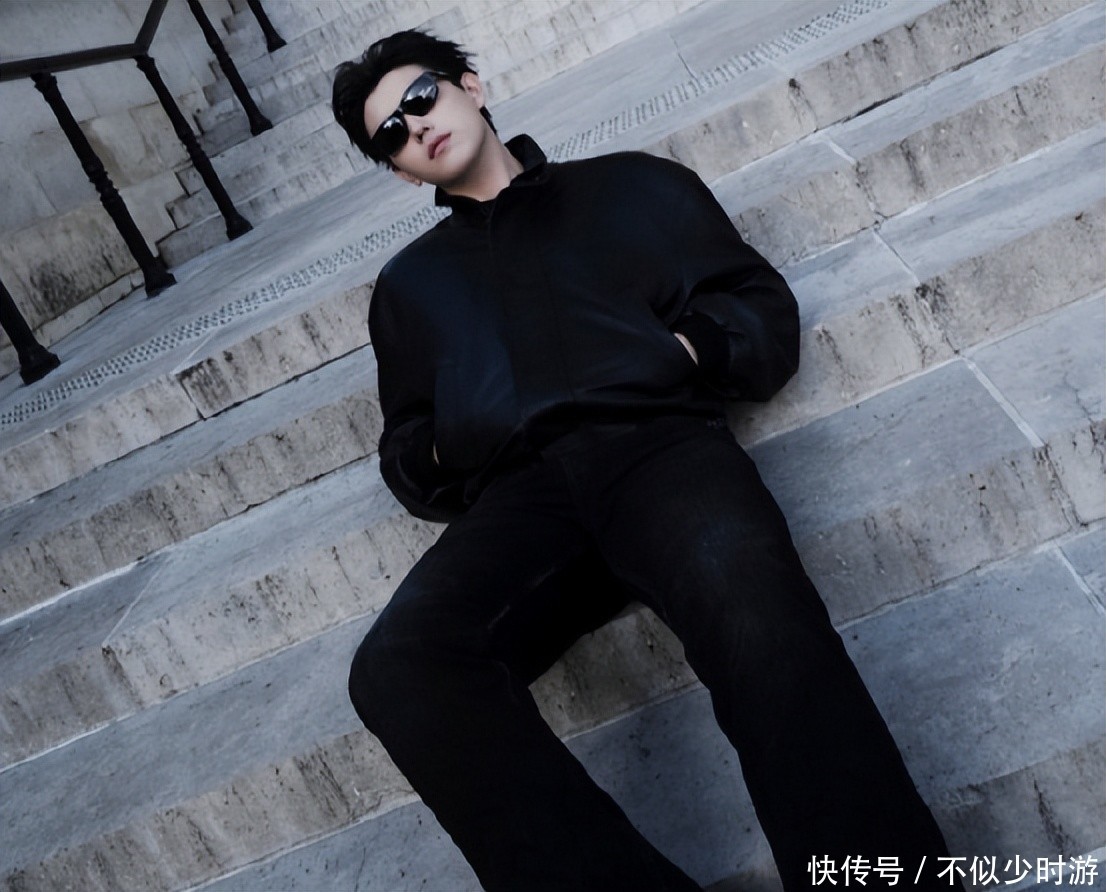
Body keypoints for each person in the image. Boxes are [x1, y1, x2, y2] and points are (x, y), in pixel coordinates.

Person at [332, 29, 958, 892]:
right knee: (397, 666)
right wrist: (461, 434)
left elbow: (757, 312)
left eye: (420, 97)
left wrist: (668, 355)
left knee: (750, 598)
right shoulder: (411, 287)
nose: (416, 127)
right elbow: (407, 455)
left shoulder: (632, 186)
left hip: (660, 452)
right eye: (392, 135)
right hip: (525, 501)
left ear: (470, 85)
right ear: (401, 173)